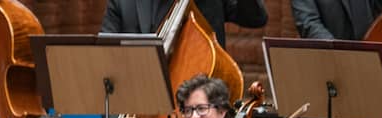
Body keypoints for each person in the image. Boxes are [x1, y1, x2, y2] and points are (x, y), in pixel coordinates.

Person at [100, 0, 268, 48]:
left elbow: (256, 18)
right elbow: (106, 53)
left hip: (201, 110)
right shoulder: (122, 2)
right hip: (144, 100)